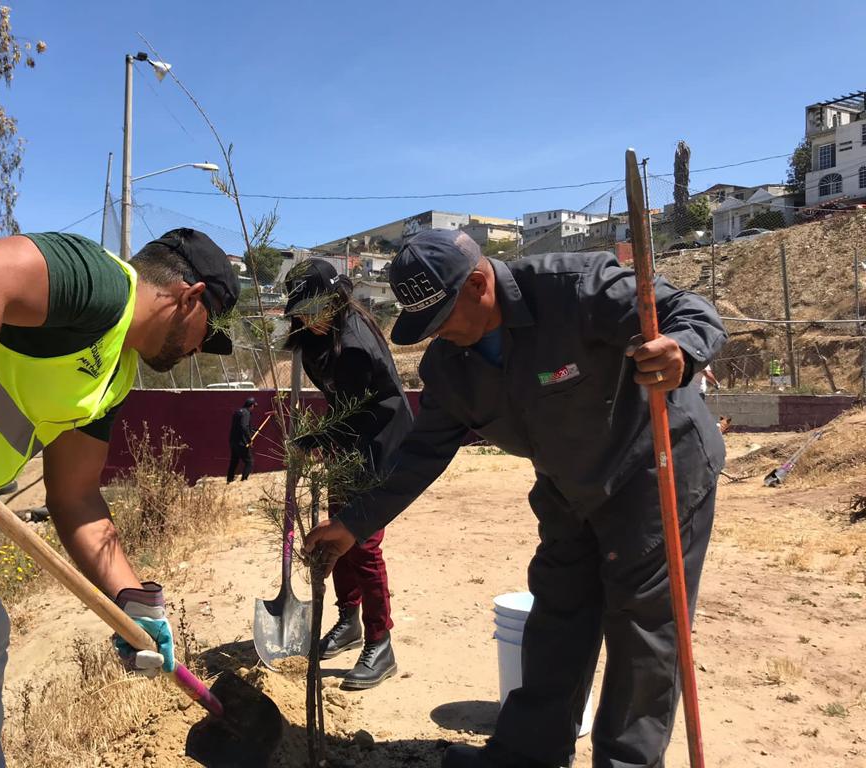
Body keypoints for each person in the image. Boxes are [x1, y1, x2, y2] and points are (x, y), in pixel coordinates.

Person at [306, 230, 726, 767]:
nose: (440, 336)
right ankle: (525, 757)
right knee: (556, 622)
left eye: (443, 319)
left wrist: (682, 349)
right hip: (568, 491)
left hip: (654, 470)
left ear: (479, 283)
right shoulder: (449, 367)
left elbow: (686, 309)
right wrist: (353, 524)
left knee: (644, 635)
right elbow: (420, 455)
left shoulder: (575, 288)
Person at [0, 227, 239, 768]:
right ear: (190, 298)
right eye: (206, 332)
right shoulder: (99, 284)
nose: (198, 348)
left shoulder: (113, 376)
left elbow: (75, 496)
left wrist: (133, 602)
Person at [284, 258, 413, 690]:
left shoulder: (355, 346)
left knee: (363, 543)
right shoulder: (314, 338)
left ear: (337, 301)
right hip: (349, 442)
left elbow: (356, 414)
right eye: (301, 311)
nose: (306, 318)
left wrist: (311, 439)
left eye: (315, 309)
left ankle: (381, 639)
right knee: (333, 533)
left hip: (377, 442)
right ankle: (349, 618)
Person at [227, 396, 257, 482]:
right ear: (251, 406)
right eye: (253, 406)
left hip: (233, 441)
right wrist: (249, 439)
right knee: (249, 461)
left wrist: (253, 430)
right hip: (241, 442)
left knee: (234, 461)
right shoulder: (246, 413)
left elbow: (240, 426)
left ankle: (229, 480)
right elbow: (244, 426)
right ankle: (244, 480)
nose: (253, 408)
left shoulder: (238, 412)